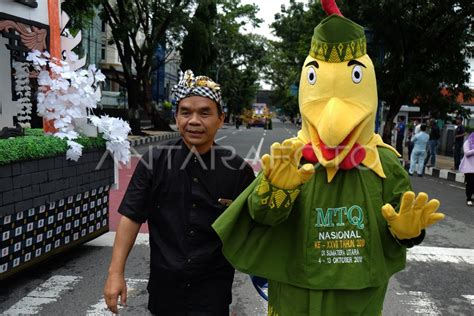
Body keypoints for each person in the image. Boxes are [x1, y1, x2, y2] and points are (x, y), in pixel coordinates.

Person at [103, 70, 255, 315]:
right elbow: (131, 217)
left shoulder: (238, 171)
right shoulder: (153, 161)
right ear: (176, 116)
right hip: (165, 290)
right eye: (186, 112)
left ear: (221, 119)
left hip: (213, 293)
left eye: (205, 112)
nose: (194, 121)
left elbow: (254, 227)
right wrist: (115, 273)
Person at [460, 132, 474, 206]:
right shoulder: (468, 142)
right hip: (469, 167)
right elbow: (466, 153)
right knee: (470, 183)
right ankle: (468, 198)